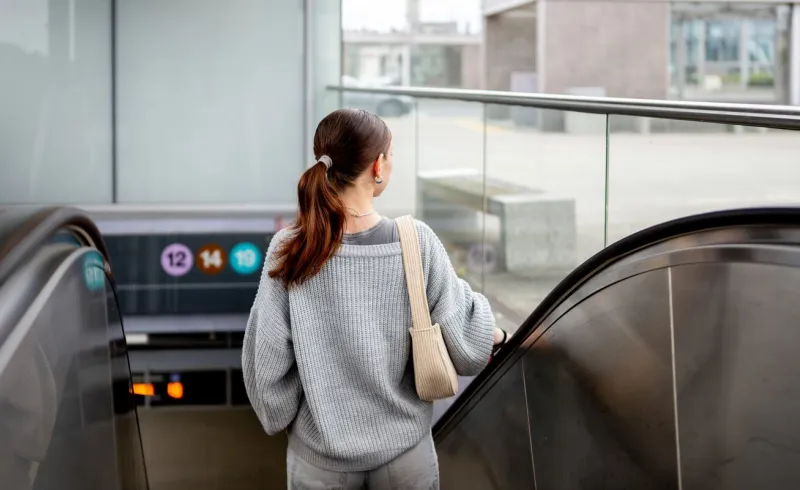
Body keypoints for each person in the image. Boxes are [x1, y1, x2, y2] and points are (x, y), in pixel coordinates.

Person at [242, 108, 507, 489]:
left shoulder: (292, 247)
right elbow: (469, 347)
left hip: (320, 462)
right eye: (391, 154)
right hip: (405, 458)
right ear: (378, 166)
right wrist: (495, 333)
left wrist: (290, 415)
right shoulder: (416, 243)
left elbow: (265, 363)